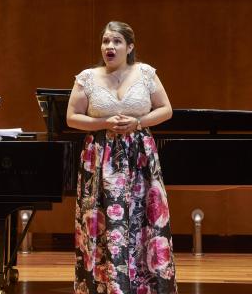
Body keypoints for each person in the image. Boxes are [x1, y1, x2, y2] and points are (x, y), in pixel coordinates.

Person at [67, 21, 178, 294]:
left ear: (129, 47)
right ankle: (107, 286)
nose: (109, 47)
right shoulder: (87, 78)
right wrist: (104, 122)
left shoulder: (145, 73)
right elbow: (71, 118)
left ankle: (146, 287)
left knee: (142, 220)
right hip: (100, 158)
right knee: (104, 222)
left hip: (140, 156)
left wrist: (138, 123)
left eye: (116, 41)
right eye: (105, 41)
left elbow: (166, 109)